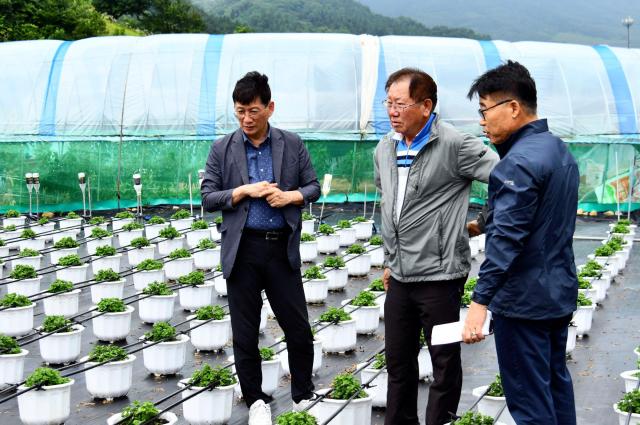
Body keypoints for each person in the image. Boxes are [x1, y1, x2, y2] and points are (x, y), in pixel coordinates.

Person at [373, 67, 499, 425]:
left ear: (426, 106)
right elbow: (388, 207)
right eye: (389, 103)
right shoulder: (385, 148)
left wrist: (483, 221)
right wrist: (388, 260)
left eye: (401, 103)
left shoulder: (454, 144)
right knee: (398, 362)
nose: (393, 111)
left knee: (443, 363)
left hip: (440, 276)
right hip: (399, 276)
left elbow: (506, 176)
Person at [463, 60, 579, 425]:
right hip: (556, 293)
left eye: (485, 110)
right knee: (555, 387)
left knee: (529, 404)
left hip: (524, 303)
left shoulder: (518, 163)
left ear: (513, 107)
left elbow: (508, 242)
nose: (482, 121)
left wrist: (479, 303)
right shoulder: (558, 150)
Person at [201, 71, 320, 425]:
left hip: (280, 248)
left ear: (270, 107)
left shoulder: (291, 143)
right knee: (244, 330)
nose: (247, 119)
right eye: (240, 112)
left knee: (297, 327)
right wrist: (243, 191)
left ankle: (302, 392)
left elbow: (313, 186)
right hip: (243, 251)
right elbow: (208, 197)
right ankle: (255, 398)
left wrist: (291, 196)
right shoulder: (222, 149)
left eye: (253, 111)